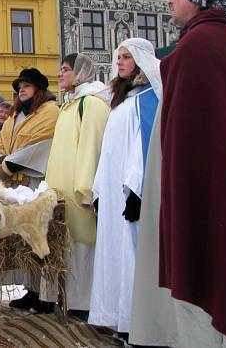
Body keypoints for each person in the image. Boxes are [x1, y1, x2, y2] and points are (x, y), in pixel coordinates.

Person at [130, 0, 226, 347]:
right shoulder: (223, 40)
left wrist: (178, 209)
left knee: (201, 309)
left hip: (206, 205)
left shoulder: (198, 47)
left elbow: (188, 150)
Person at [89, 38, 160, 336]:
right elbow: (108, 149)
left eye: (126, 57)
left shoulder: (148, 98)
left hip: (131, 192)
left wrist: (137, 191)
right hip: (112, 191)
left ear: (141, 60)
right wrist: (98, 190)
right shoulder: (120, 99)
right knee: (113, 254)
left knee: (131, 254)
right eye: (118, 57)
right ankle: (118, 318)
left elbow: (143, 146)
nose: (119, 62)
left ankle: (136, 323)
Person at [44, 53, 110, 319]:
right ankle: (68, 298)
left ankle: (84, 302)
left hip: (78, 192)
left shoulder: (91, 105)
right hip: (62, 191)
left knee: (82, 247)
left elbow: (91, 147)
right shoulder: (69, 105)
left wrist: (86, 189)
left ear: (81, 73)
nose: (60, 74)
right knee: (66, 245)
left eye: (66, 69)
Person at [0, 68, 60, 313]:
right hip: (16, 187)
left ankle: (48, 294)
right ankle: (31, 290)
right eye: (20, 86)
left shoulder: (50, 112)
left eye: (27, 86)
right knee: (22, 241)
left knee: (43, 237)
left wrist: (8, 165)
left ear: (39, 90)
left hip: (35, 183)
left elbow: (44, 145)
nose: (21, 89)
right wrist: (1, 161)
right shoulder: (14, 116)